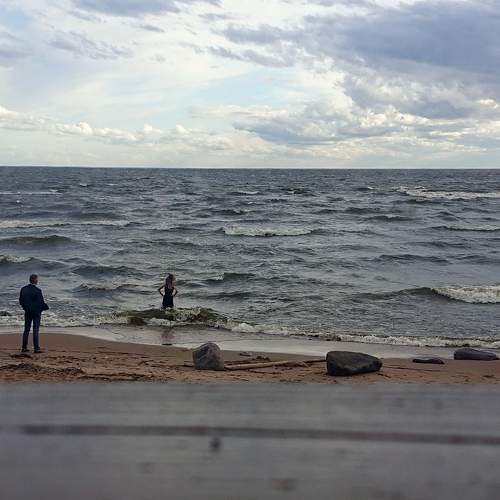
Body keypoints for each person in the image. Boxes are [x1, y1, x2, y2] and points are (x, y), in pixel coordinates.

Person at [19, 274, 49, 353]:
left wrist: (25, 308)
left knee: (26, 330)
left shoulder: (23, 289)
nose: (38, 280)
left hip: (27, 312)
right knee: (35, 330)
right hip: (36, 313)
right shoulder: (38, 291)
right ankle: (36, 348)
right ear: (35, 280)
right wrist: (45, 307)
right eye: (37, 279)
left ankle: (24, 348)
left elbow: (21, 301)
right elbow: (41, 303)